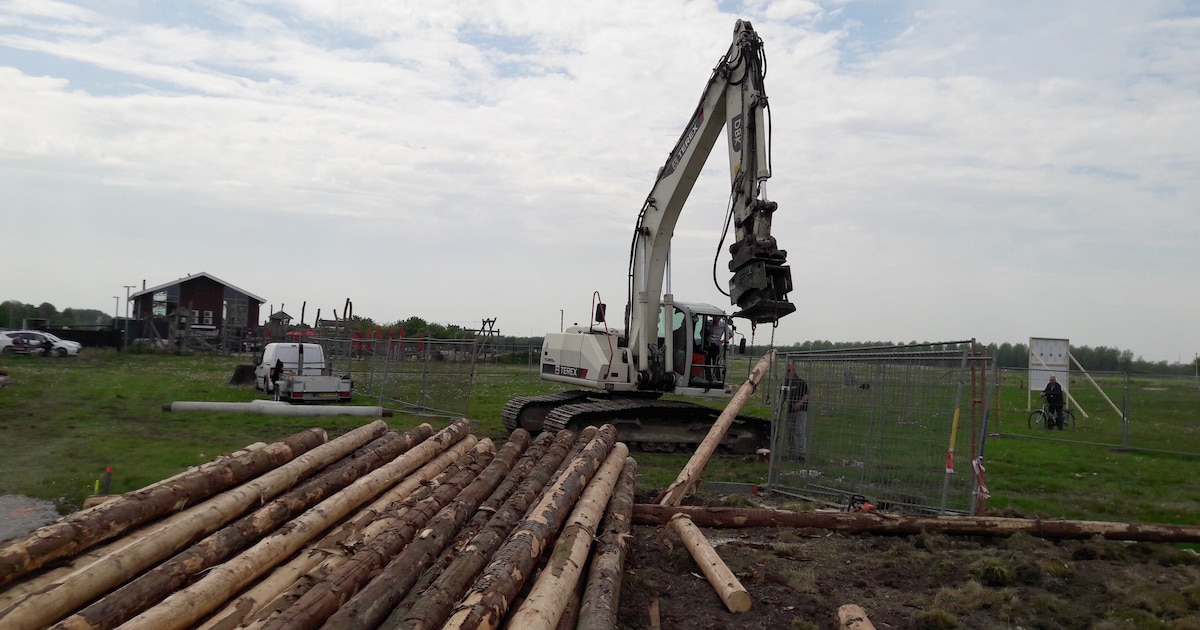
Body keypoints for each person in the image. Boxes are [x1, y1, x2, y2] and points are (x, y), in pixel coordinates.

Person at [782, 370, 810, 460]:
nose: (787, 373)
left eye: (789, 371)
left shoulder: (801, 382)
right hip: (790, 411)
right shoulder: (785, 383)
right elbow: (782, 396)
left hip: (801, 410)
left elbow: (806, 396)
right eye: (787, 371)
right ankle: (793, 452)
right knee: (790, 431)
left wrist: (799, 403)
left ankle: (802, 453)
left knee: (799, 430)